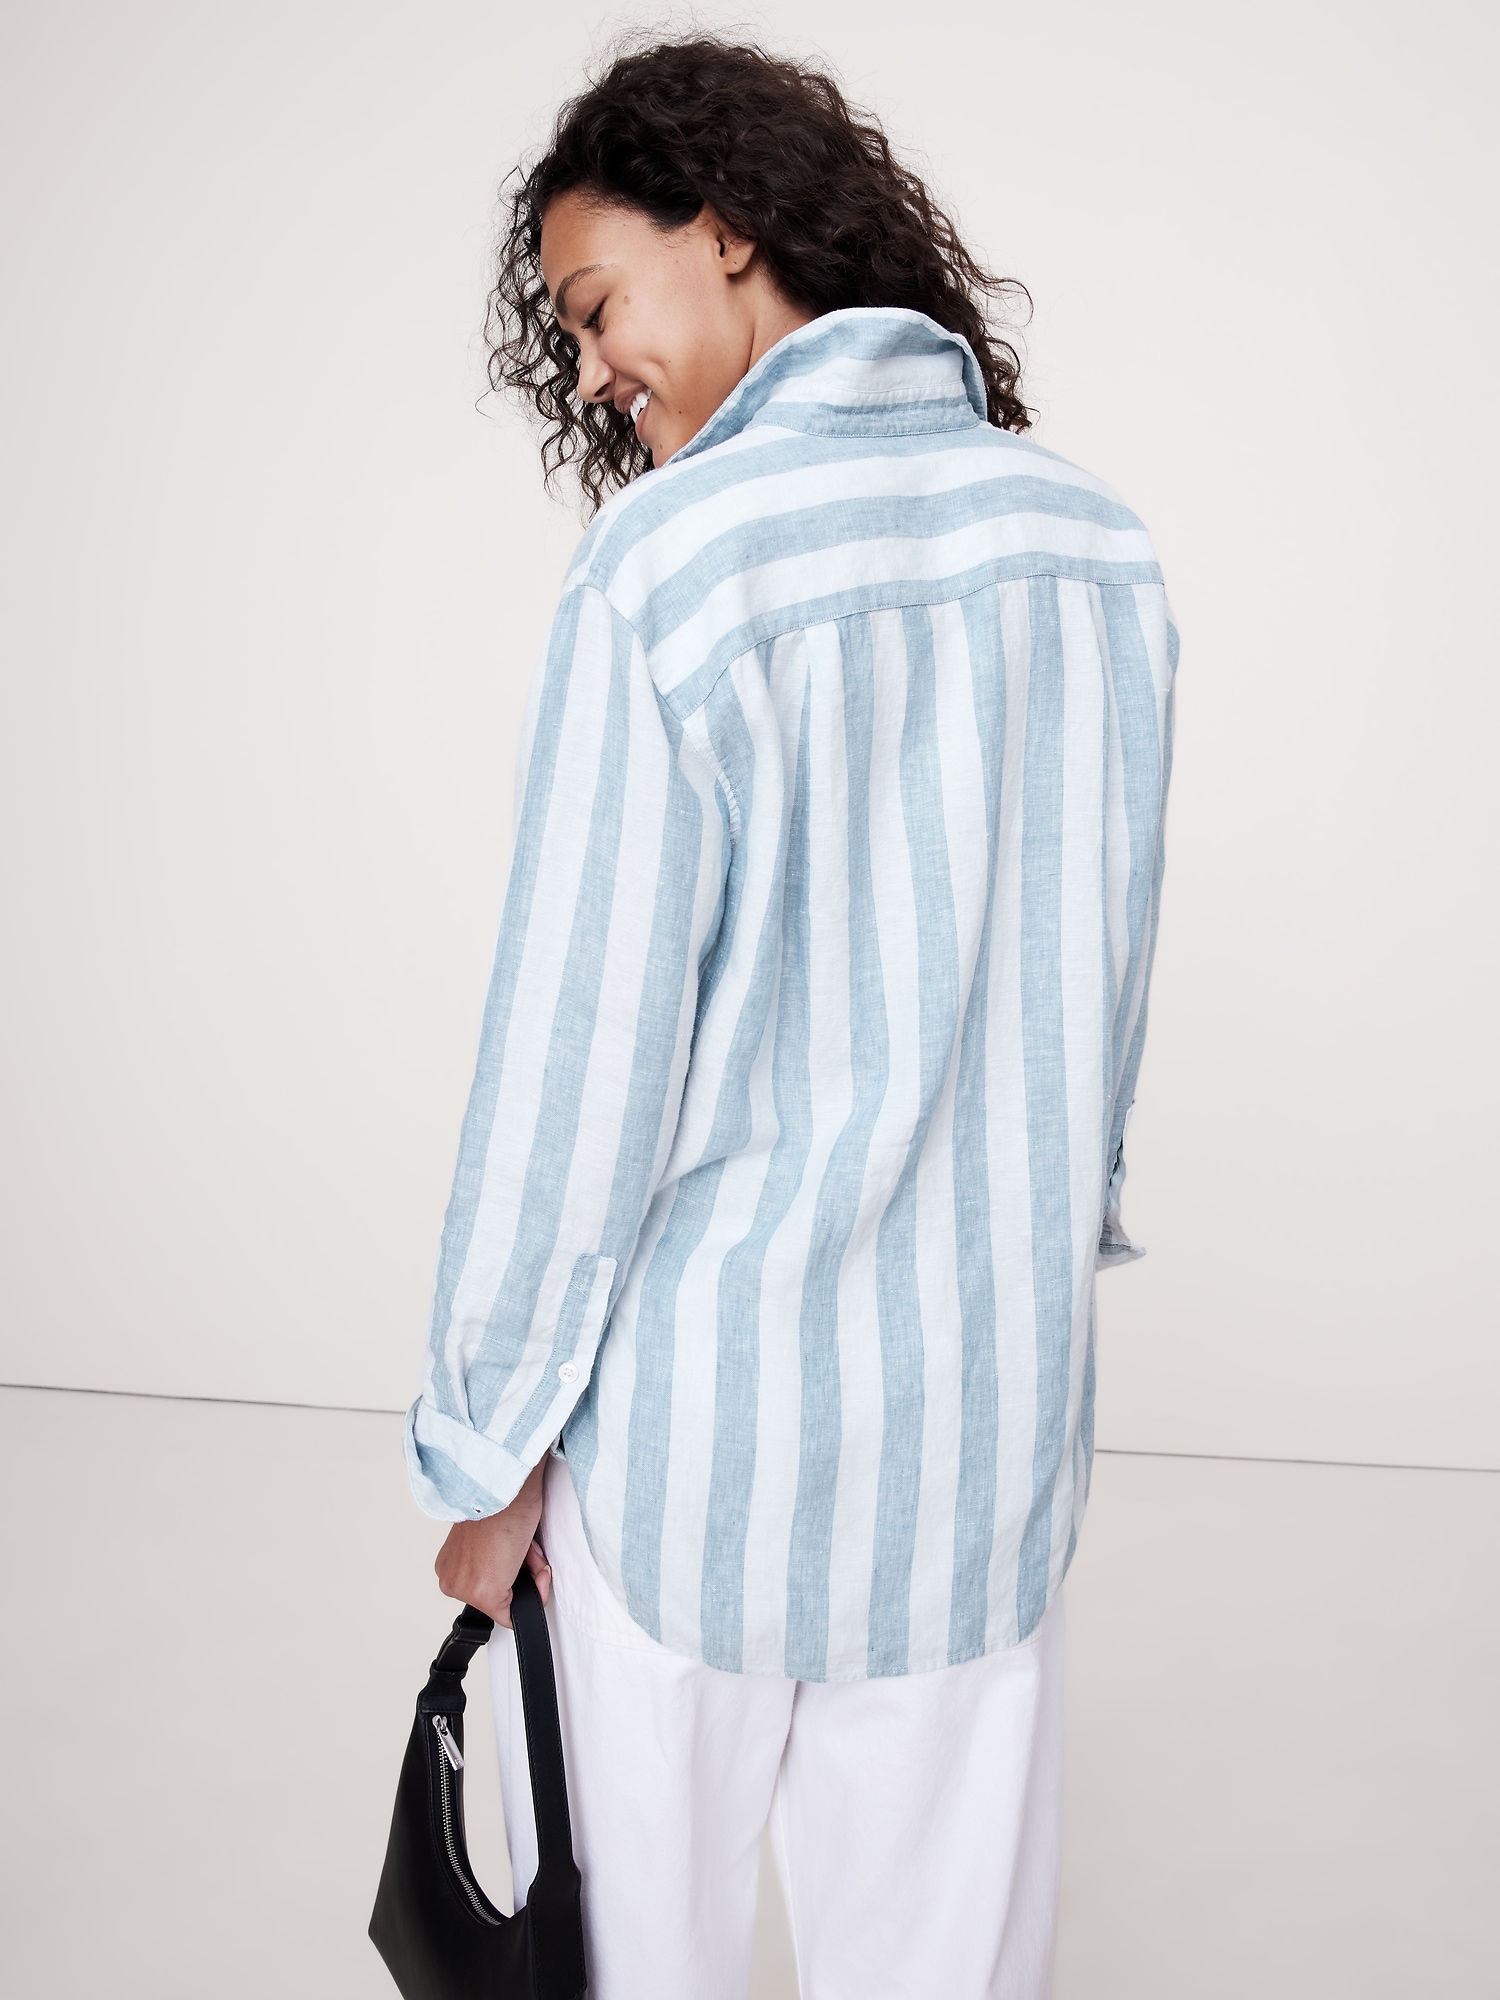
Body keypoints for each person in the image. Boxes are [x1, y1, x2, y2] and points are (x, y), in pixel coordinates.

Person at [405, 35, 1176, 2000]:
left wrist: (487, 1445)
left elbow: (578, 1068)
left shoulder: (669, 572)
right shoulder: (1093, 548)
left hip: (696, 1454)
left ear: (729, 226)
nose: (593, 367)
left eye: (597, 306)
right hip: (982, 1452)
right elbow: (1093, 993)